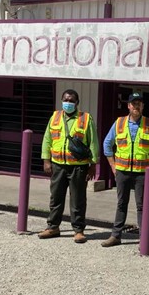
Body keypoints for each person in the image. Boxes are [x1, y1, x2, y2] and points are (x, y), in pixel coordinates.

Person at [100, 92, 149, 247]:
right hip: (122, 171)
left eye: (139, 103)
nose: (136, 106)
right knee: (121, 203)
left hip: (142, 174)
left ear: (143, 106)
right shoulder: (119, 123)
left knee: (142, 206)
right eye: (133, 103)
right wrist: (112, 165)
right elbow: (107, 144)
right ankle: (116, 236)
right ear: (128, 106)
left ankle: (144, 238)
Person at [38, 89, 99, 243]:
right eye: (66, 100)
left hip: (78, 166)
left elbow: (93, 142)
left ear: (77, 103)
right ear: (61, 100)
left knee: (78, 199)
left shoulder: (86, 119)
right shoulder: (55, 117)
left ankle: (78, 230)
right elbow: (47, 139)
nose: (68, 103)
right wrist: (46, 160)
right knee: (56, 197)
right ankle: (53, 227)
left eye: (71, 100)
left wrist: (93, 165)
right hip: (58, 165)